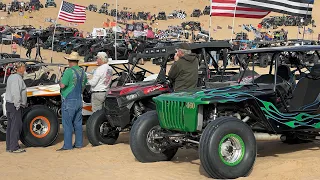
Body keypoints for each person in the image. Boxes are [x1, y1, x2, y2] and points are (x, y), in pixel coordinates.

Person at [58, 52, 87, 151]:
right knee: (78, 123)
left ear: (70, 61)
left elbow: (63, 85)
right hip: (79, 99)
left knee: (67, 124)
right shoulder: (82, 72)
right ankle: (79, 144)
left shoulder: (68, 71)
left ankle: (68, 145)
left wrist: (59, 82)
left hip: (69, 100)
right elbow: (84, 85)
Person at [5, 62, 27, 153]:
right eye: (24, 67)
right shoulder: (16, 78)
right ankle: (14, 147)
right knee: (16, 126)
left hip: (10, 104)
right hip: (14, 105)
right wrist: (17, 105)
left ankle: (9, 146)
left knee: (10, 126)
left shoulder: (12, 77)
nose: (25, 68)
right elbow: (16, 93)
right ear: (19, 68)